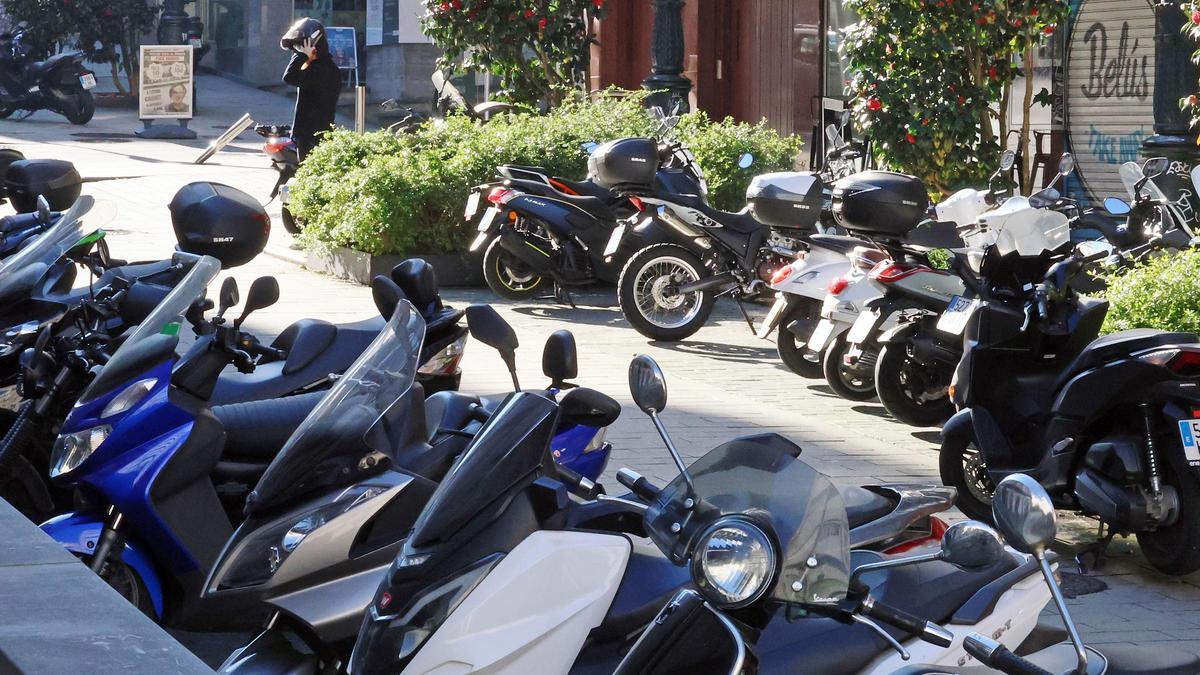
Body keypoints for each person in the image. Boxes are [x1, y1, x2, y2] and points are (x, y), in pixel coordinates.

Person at [280, 17, 340, 162]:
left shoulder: (322, 69)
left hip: (312, 134)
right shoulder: (322, 66)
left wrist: (302, 55)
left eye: (300, 47)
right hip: (312, 133)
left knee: (309, 171)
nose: (296, 51)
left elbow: (289, 77)